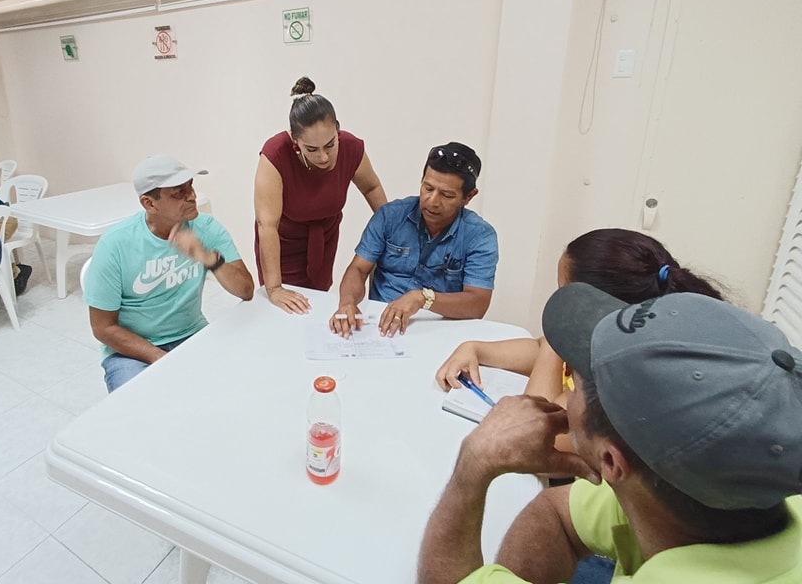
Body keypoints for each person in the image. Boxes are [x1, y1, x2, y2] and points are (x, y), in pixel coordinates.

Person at [418, 282, 802, 584]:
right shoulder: (721, 491)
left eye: (574, 382)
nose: (567, 389)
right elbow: (556, 514)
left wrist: (475, 463)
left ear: (611, 460)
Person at [436, 229, 722, 412]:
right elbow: (539, 349)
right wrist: (476, 349)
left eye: (563, 291)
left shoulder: (622, 379)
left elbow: (535, 426)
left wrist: (561, 325)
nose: (556, 298)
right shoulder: (606, 337)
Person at [86, 155, 255, 392]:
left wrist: (207, 257)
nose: (191, 196)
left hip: (191, 334)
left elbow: (246, 291)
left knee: (237, 387)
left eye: (190, 186)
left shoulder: (206, 228)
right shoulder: (115, 245)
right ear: (149, 203)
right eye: (178, 193)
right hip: (131, 351)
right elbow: (103, 327)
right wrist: (159, 357)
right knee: (138, 405)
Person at [329, 142, 497, 338]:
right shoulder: (390, 216)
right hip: (380, 326)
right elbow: (358, 269)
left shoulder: (480, 236)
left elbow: (478, 303)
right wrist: (347, 303)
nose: (432, 201)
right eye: (428, 188)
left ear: (469, 197)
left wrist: (423, 298)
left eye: (447, 195)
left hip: (439, 329)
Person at [255, 76, 386, 314]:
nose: (323, 157)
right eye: (312, 149)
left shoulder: (351, 148)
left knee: (318, 304)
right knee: (285, 310)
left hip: (323, 240)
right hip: (282, 245)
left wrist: (391, 231)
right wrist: (274, 288)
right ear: (295, 140)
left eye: (330, 145)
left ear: (337, 130)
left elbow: (371, 188)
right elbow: (267, 225)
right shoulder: (275, 155)